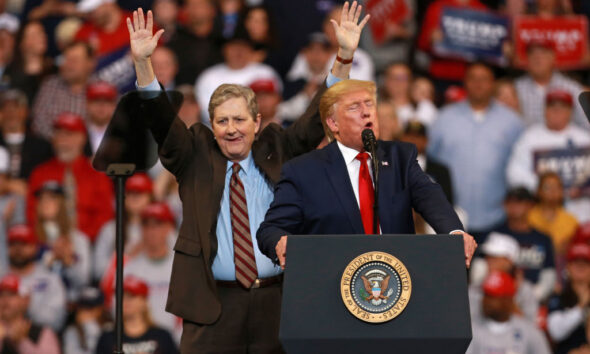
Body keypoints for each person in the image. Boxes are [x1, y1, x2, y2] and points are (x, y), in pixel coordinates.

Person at [125, 3, 368, 352]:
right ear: (212, 126)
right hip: (213, 306)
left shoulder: (278, 149)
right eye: (222, 121)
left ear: (256, 124)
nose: (231, 129)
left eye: (239, 120)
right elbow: (163, 123)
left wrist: (344, 56)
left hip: (277, 304)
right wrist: (144, 65)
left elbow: (316, 116)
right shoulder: (195, 154)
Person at [256, 78, 477, 271]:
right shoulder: (304, 170)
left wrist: (454, 232)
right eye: (354, 107)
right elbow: (271, 229)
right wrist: (280, 243)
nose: (366, 111)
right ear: (333, 123)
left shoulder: (400, 156)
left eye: (369, 104)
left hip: (396, 284)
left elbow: (430, 196)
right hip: (333, 285)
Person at [428, 62, 524, 235]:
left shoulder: (512, 122)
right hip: (450, 219)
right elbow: (431, 163)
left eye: (484, 79)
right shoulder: (443, 119)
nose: (478, 84)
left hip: (498, 218)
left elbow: (521, 167)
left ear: (493, 83)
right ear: (464, 82)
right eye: (473, 78)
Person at [27, 112, 114, 242]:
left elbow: (105, 214)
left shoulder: (96, 174)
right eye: (59, 133)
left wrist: (80, 239)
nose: (63, 139)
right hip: (48, 242)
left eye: (69, 134)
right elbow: (31, 214)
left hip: (89, 243)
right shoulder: (40, 173)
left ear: (82, 138)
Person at [507, 89, 590, 223]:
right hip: (542, 217)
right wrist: (545, 189)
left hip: (582, 215)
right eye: (552, 106)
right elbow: (515, 174)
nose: (557, 111)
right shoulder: (530, 137)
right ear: (544, 110)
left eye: (562, 107)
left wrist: (582, 189)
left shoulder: (584, 138)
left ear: (570, 111)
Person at [124, 202, 180, 342]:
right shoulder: (130, 267)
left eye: (158, 224)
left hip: (175, 341)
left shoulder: (181, 266)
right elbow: (114, 305)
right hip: (138, 341)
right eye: (147, 225)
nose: (151, 231)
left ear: (169, 228)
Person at [466, 271, 551, 354]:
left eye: (493, 296)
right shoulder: (472, 330)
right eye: (486, 295)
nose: (487, 301)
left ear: (508, 300)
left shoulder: (529, 332)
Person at [34, 180, 92, 301]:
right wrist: (50, 259)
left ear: (63, 204)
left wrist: (68, 261)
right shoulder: (32, 238)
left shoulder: (79, 240)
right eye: (42, 199)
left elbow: (83, 281)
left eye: (52, 198)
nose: (45, 203)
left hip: (71, 302)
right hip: (41, 302)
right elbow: (27, 277)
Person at [4, 225, 67, 332]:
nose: (18, 249)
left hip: (39, 339)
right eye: (13, 244)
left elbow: (57, 321)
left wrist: (28, 307)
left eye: (24, 244)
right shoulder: (1, 275)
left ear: (35, 247)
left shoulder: (50, 279)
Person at [95, 276, 178, 354]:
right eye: (121, 296)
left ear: (144, 301)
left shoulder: (162, 336)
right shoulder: (108, 338)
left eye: (131, 296)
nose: (125, 301)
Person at [468, 232, 539, 323]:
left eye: (495, 257)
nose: (489, 262)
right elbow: (471, 322)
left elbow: (530, 327)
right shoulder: (477, 286)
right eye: (487, 257)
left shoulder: (524, 289)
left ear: (509, 261)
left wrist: (510, 295)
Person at [31, 41, 95, 140]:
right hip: (51, 147)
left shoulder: (100, 88)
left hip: (90, 150)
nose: (69, 65)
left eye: (74, 61)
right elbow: (38, 120)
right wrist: (60, 140)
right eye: (66, 59)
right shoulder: (50, 85)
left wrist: (79, 142)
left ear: (90, 64)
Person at [0, 274, 60, 354]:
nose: (5, 300)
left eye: (12, 295)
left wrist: (21, 342)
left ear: (26, 300)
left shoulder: (41, 333)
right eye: (1, 295)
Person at [547, 243, 590, 354]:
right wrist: (580, 307)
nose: (581, 267)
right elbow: (556, 332)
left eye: (585, 263)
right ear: (568, 267)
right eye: (576, 262)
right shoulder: (559, 297)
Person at [63, 287, 109, 354]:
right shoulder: (72, 331)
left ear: (100, 309)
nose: (84, 311)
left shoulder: (108, 329)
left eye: (89, 308)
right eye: (82, 307)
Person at [85, 81, 118, 155]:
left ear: (114, 106)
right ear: (87, 104)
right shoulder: (77, 133)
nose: (101, 106)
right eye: (96, 100)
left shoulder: (125, 133)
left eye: (107, 101)